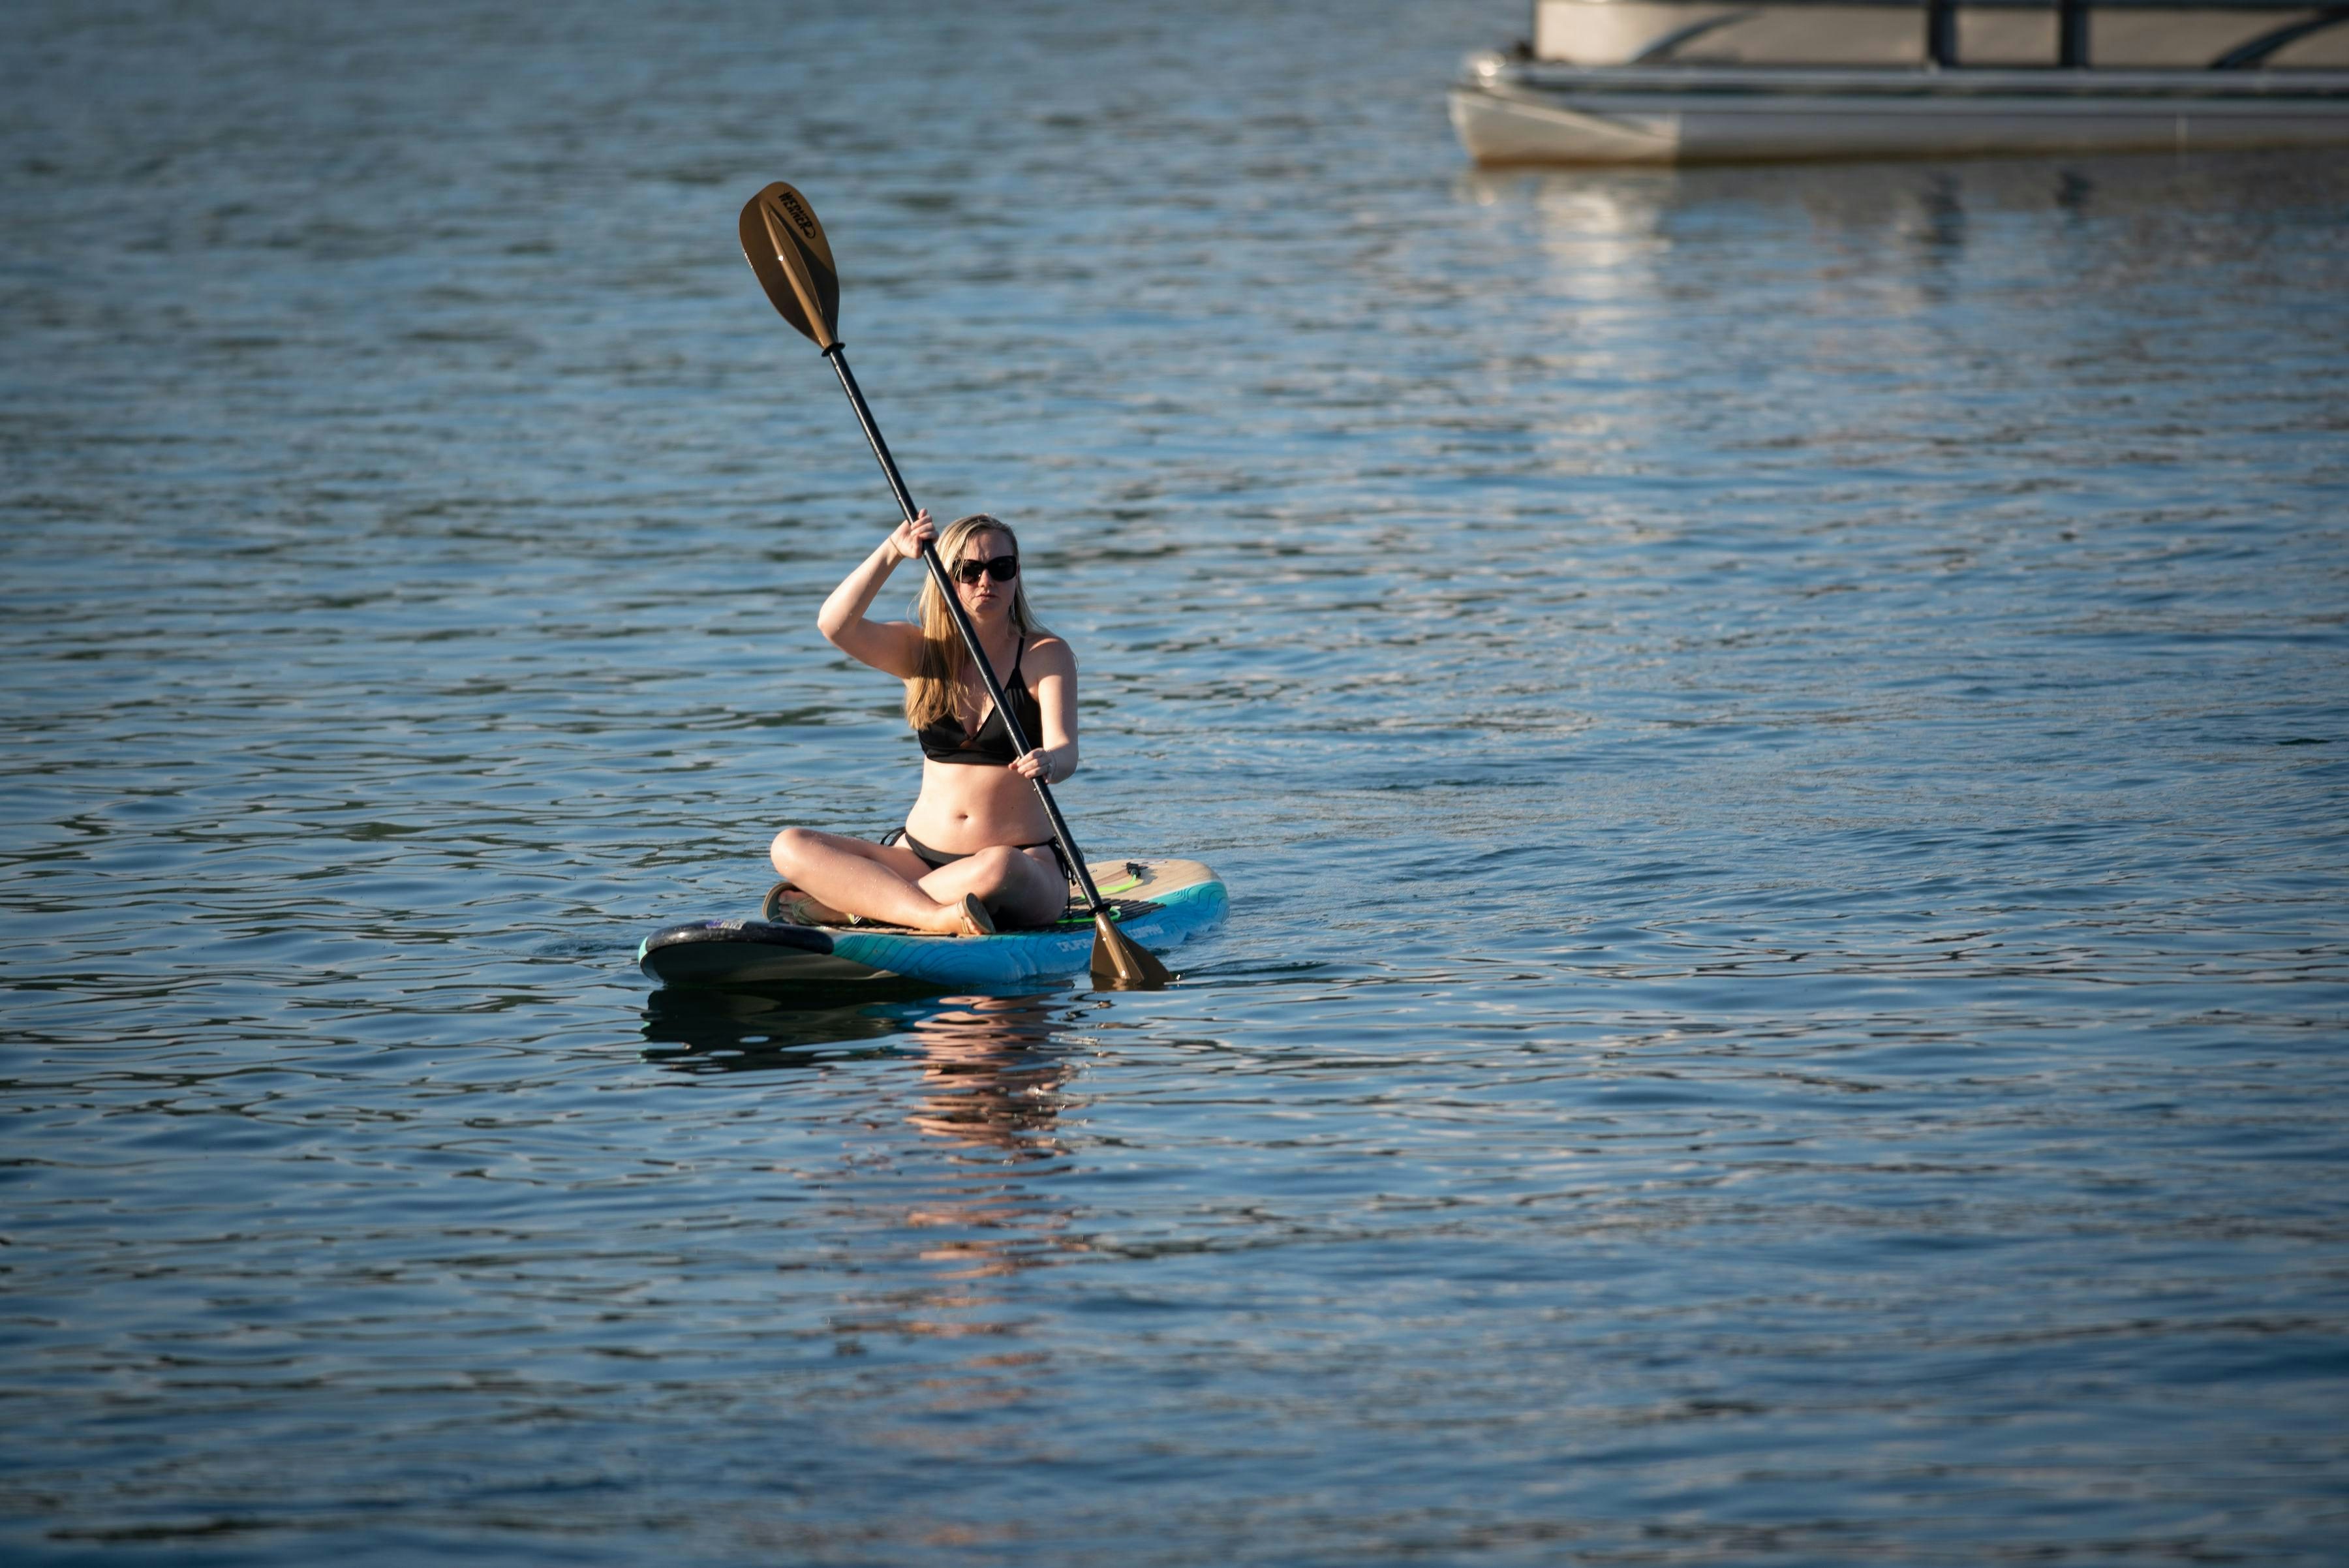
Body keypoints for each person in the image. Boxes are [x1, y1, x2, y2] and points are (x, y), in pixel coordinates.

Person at [768, 510, 1077, 935]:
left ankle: (867, 905)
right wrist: (892, 552)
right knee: (789, 845)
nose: (986, 581)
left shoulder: (1046, 653)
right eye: (969, 571)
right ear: (948, 578)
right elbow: (835, 625)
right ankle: (930, 915)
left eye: (1000, 568)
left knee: (1000, 865)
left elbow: (1067, 751)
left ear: (1017, 574)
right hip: (916, 855)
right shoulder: (921, 651)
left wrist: (1050, 762)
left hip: (1019, 862)